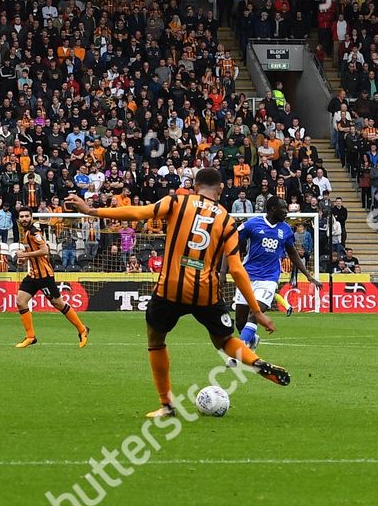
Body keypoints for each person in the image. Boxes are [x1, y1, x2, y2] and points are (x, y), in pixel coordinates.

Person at [68, 167, 290, 418]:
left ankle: (167, 405)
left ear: (195, 186)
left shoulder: (176, 201)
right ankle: (256, 362)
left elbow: (139, 213)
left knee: (156, 340)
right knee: (225, 341)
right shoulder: (227, 219)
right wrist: (258, 312)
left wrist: (91, 210)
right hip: (205, 291)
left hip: (170, 287)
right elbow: (238, 270)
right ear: (221, 189)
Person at [231, 196, 316, 355]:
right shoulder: (252, 224)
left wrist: (308, 275)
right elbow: (232, 242)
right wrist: (224, 270)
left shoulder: (285, 230)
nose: (287, 212)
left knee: (255, 314)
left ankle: (239, 353)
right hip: (247, 276)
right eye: (284, 209)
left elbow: (293, 254)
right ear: (272, 209)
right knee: (240, 322)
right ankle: (252, 338)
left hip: (269, 278)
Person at [12, 211, 89, 349]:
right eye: (21, 216)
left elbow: (45, 250)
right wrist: (24, 258)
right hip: (33, 275)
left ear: (31, 217)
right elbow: (36, 254)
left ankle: (82, 329)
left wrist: (25, 254)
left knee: (58, 304)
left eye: (26, 216)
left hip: (44, 276)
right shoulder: (26, 233)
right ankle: (30, 337)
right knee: (20, 301)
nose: (24, 219)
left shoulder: (35, 233)